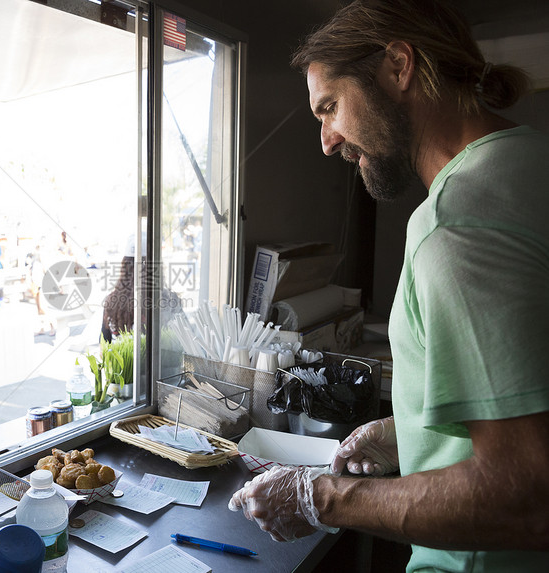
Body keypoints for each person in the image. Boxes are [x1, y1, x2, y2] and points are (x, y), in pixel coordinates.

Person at [228, 1, 549, 571]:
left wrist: (322, 497)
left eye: (329, 107)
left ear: (399, 67)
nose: (326, 141)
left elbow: (526, 494)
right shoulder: (530, 163)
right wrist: (414, 433)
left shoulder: (456, 222)